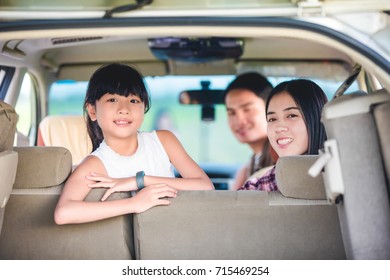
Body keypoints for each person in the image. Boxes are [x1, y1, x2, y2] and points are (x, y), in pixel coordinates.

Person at [54, 63, 214, 225]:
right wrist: (134, 203)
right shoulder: (95, 164)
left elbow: (206, 187)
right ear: (92, 111)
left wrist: (140, 181)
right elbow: (63, 213)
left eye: (133, 100)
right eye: (112, 99)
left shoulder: (163, 141)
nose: (124, 109)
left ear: (144, 108)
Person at [239, 79, 328, 191]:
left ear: (316, 118)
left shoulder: (343, 172)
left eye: (291, 116)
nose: (279, 127)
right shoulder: (274, 178)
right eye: (272, 119)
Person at [224, 72, 275, 190]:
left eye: (247, 109)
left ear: (271, 109)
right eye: (231, 113)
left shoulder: (281, 161)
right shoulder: (249, 167)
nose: (239, 120)